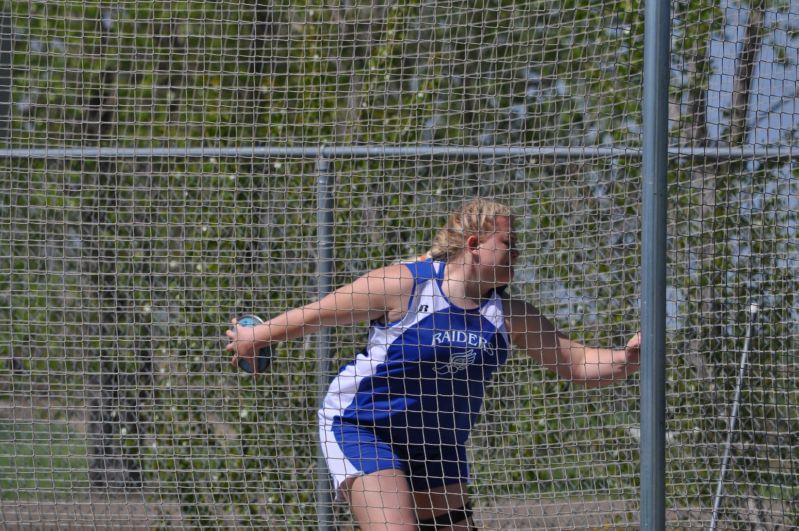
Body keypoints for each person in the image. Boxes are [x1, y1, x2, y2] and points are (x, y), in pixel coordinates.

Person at [225, 198, 641, 531]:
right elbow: (318, 314)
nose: (518, 253)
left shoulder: (510, 315)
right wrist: (256, 337)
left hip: (438, 445)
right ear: (475, 244)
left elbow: (578, 362)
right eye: (508, 243)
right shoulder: (404, 284)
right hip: (364, 426)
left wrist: (627, 358)